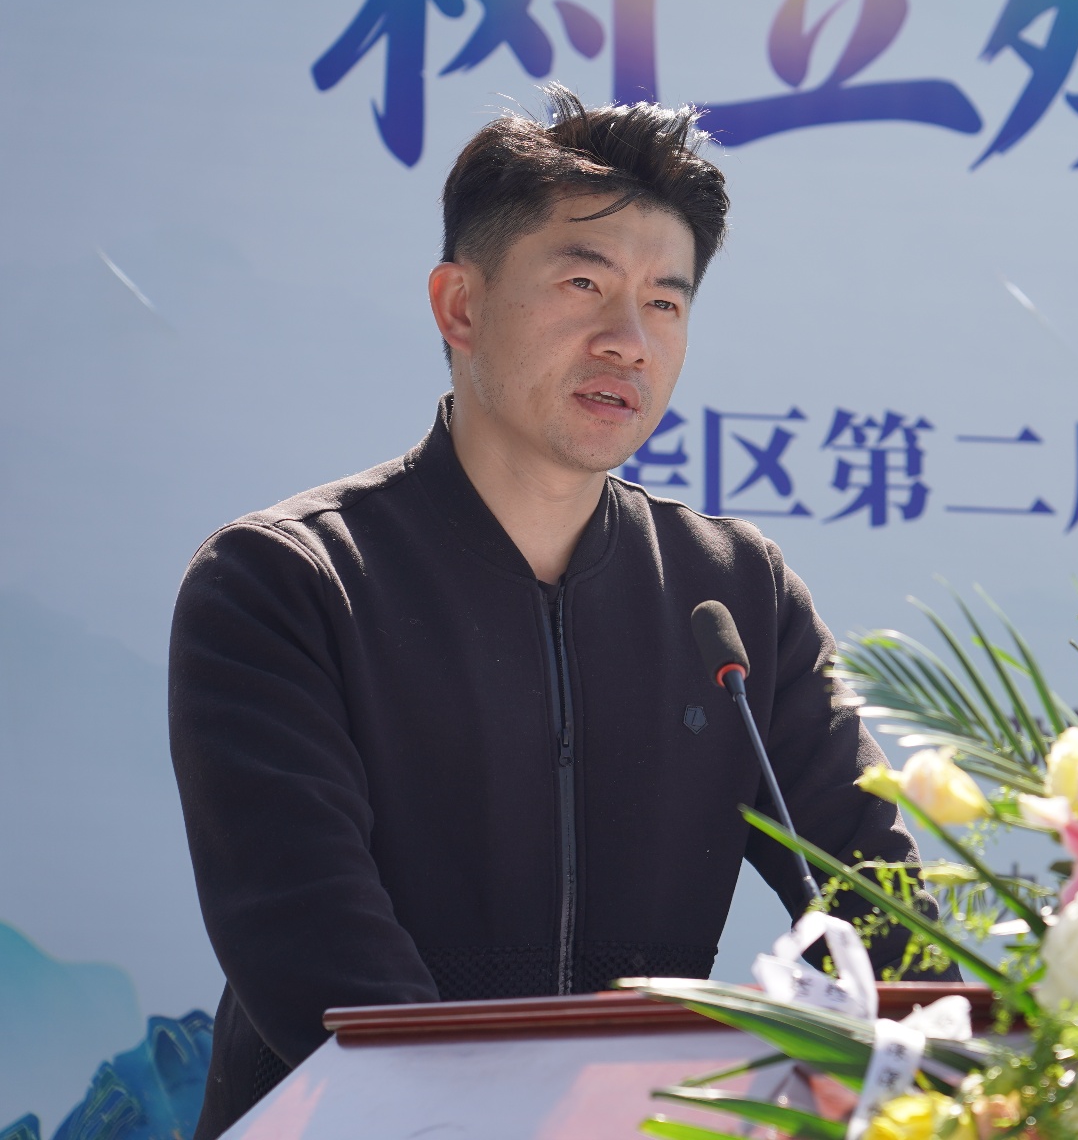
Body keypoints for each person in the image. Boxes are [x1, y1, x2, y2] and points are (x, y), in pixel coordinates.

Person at [169, 86, 926, 1137]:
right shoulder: (286, 583)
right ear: (460, 306)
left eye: (665, 302)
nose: (630, 340)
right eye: (584, 284)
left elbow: (877, 904)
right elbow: (319, 957)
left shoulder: (734, 595)